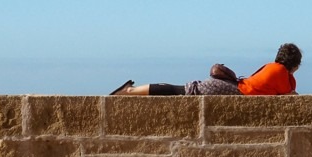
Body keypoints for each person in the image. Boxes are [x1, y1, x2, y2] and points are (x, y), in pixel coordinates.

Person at [111, 43, 302, 96]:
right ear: (294, 64)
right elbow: (289, 94)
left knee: (181, 89)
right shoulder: (280, 72)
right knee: (180, 91)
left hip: (230, 86)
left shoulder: (272, 68)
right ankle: (130, 91)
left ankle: (131, 90)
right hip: (232, 90)